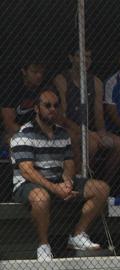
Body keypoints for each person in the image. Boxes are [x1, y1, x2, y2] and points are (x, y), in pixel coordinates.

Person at [10, 89, 109, 261]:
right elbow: (27, 171)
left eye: (56, 105)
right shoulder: (23, 134)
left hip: (57, 180)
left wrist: (68, 182)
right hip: (28, 184)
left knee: (101, 188)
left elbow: (69, 163)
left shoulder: (63, 133)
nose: (52, 109)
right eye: (47, 105)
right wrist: (56, 189)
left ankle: (78, 235)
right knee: (41, 198)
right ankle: (43, 245)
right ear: (36, 108)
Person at [53, 46, 120, 179]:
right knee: (90, 145)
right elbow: (62, 116)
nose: (85, 60)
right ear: (71, 58)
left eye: (88, 57)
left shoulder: (96, 82)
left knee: (119, 143)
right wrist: (85, 132)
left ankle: (107, 183)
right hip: (67, 127)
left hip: (90, 130)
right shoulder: (62, 79)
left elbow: (98, 113)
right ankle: (82, 180)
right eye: (80, 56)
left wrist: (102, 134)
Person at [1, 61, 45, 146]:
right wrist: (31, 135)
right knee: (12, 138)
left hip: (39, 130)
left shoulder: (45, 90)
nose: (39, 76)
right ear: (24, 71)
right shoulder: (11, 90)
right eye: (35, 72)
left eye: (41, 72)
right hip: (17, 131)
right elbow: (9, 124)